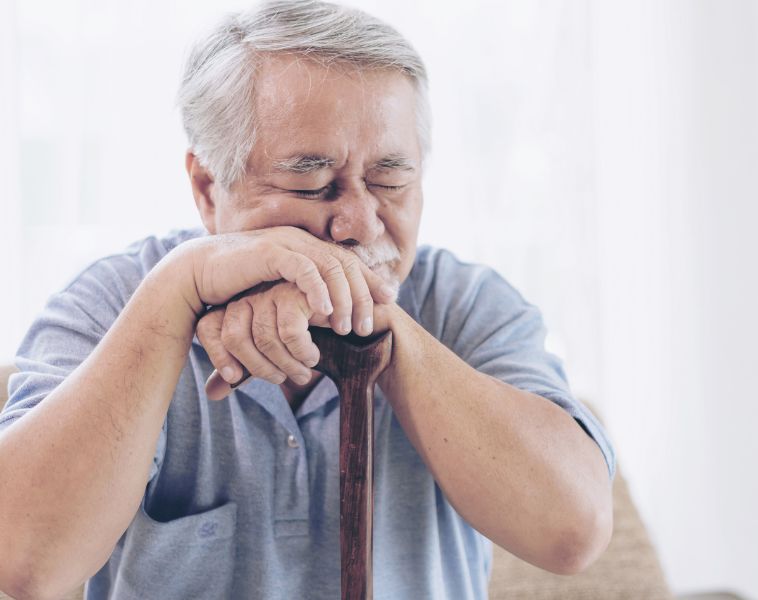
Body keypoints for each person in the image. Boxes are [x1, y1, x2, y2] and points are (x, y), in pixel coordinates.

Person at [0, 1, 615, 598]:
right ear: (208, 189)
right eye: (312, 182)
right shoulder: (111, 302)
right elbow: (22, 562)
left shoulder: (468, 302)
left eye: (390, 179)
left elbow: (572, 533)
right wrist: (178, 289)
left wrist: (374, 322)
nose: (360, 223)